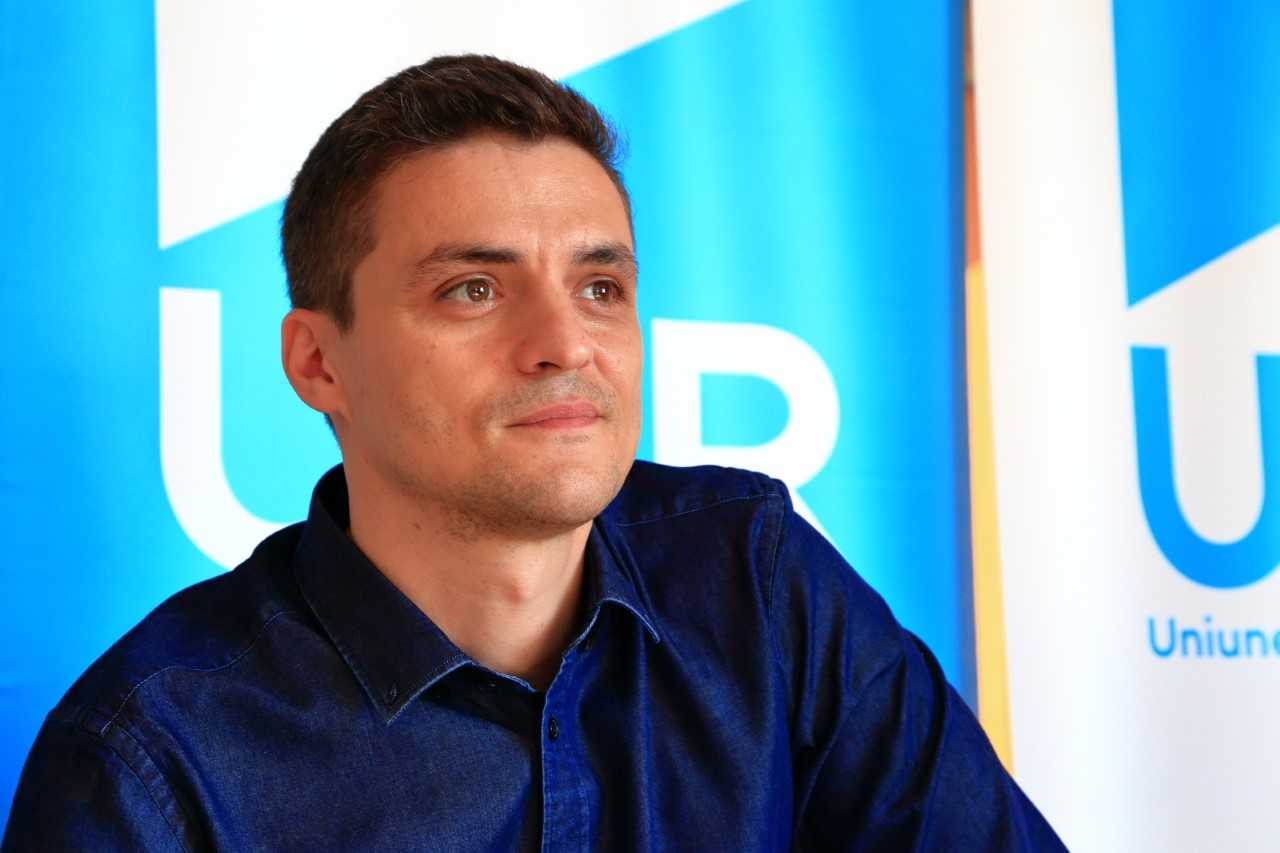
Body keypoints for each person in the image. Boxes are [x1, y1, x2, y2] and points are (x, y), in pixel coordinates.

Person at [2, 55, 1064, 851]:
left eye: (600, 287)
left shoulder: (759, 582)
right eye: (474, 289)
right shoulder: (151, 762)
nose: (564, 343)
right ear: (318, 363)